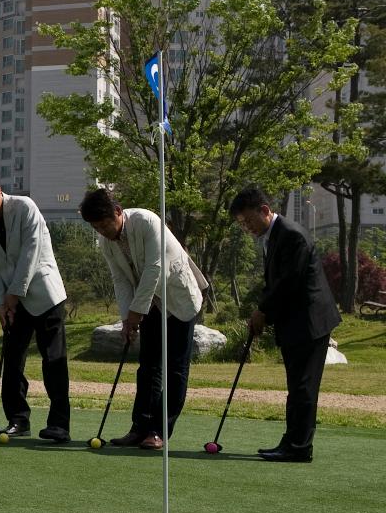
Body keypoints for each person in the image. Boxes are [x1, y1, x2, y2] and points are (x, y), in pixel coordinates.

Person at [80, 187, 207, 451]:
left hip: (179, 300)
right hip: (148, 304)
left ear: (118, 212)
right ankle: (140, 428)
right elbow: (121, 281)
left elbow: (154, 270)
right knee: (148, 367)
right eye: (97, 228)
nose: (103, 231)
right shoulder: (107, 242)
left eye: (105, 224)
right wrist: (127, 319)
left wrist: (136, 312)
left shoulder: (146, 221)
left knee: (175, 368)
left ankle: (159, 431)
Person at [230, 186, 340, 463]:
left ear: (265, 211)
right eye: (242, 224)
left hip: (309, 321)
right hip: (296, 321)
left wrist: (262, 312)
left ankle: (299, 447)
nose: (247, 228)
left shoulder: (291, 235)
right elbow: (274, 284)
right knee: (297, 385)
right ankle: (292, 440)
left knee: (303, 386)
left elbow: (288, 282)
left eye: (248, 221)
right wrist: (262, 312)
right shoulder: (274, 236)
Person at [0, 172, 72, 442]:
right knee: (12, 361)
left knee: (53, 360)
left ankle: (59, 424)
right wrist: (1, 302)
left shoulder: (24, 207)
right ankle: (18, 419)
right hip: (12, 303)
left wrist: (13, 295)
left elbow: (30, 253)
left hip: (44, 295)